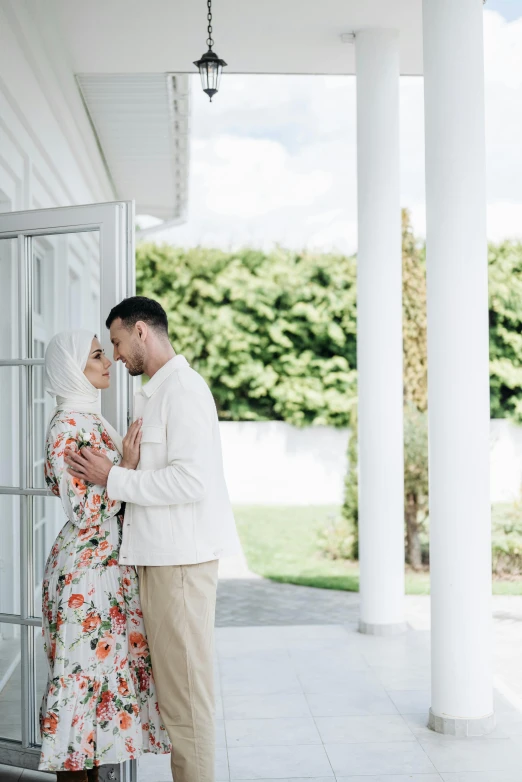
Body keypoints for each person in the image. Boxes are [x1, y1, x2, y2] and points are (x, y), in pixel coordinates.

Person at [65, 297, 241, 782]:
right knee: (176, 699)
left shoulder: (182, 391)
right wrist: (123, 465)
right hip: (162, 563)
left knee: (186, 702)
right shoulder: (157, 393)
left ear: (142, 332)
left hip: (180, 566)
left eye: (118, 343)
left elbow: (191, 482)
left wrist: (112, 478)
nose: (117, 357)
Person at [39, 329, 171, 781]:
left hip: (106, 569)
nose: (108, 361)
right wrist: (126, 470)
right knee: (80, 682)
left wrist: (121, 473)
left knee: (102, 688)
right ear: (73, 369)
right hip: (85, 573)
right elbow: (85, 510)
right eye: (97, 355)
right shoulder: (67, 427)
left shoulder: (92, 420)